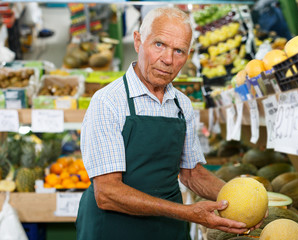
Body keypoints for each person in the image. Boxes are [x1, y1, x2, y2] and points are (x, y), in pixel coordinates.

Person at [76, 7, 266, 240]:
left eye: (179, 51)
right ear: (138, 41)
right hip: (114, 229)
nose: (167, 60)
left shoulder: (181, 104)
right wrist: (185, 212)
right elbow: (107, 193)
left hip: (167, 228)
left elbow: (191, 174)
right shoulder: (108, 102)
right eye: (159, 45)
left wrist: (245, 201)